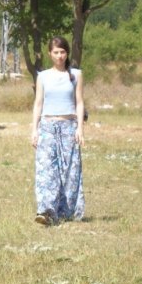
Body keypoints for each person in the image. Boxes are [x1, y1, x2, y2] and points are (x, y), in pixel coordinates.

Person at [31, 36, 85, 225]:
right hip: (47, 126)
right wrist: (34, 130)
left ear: (67, 53)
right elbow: (38, 104)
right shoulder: (43, 76)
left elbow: (79, 103)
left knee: (69, 171)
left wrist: (80, 129)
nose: (60, 56)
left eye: (62, 52)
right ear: (50, 54)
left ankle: (67, 211)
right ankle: (46, 210)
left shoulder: (76, 75)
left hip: (69, 126)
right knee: (46, 170)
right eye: (56, 52)